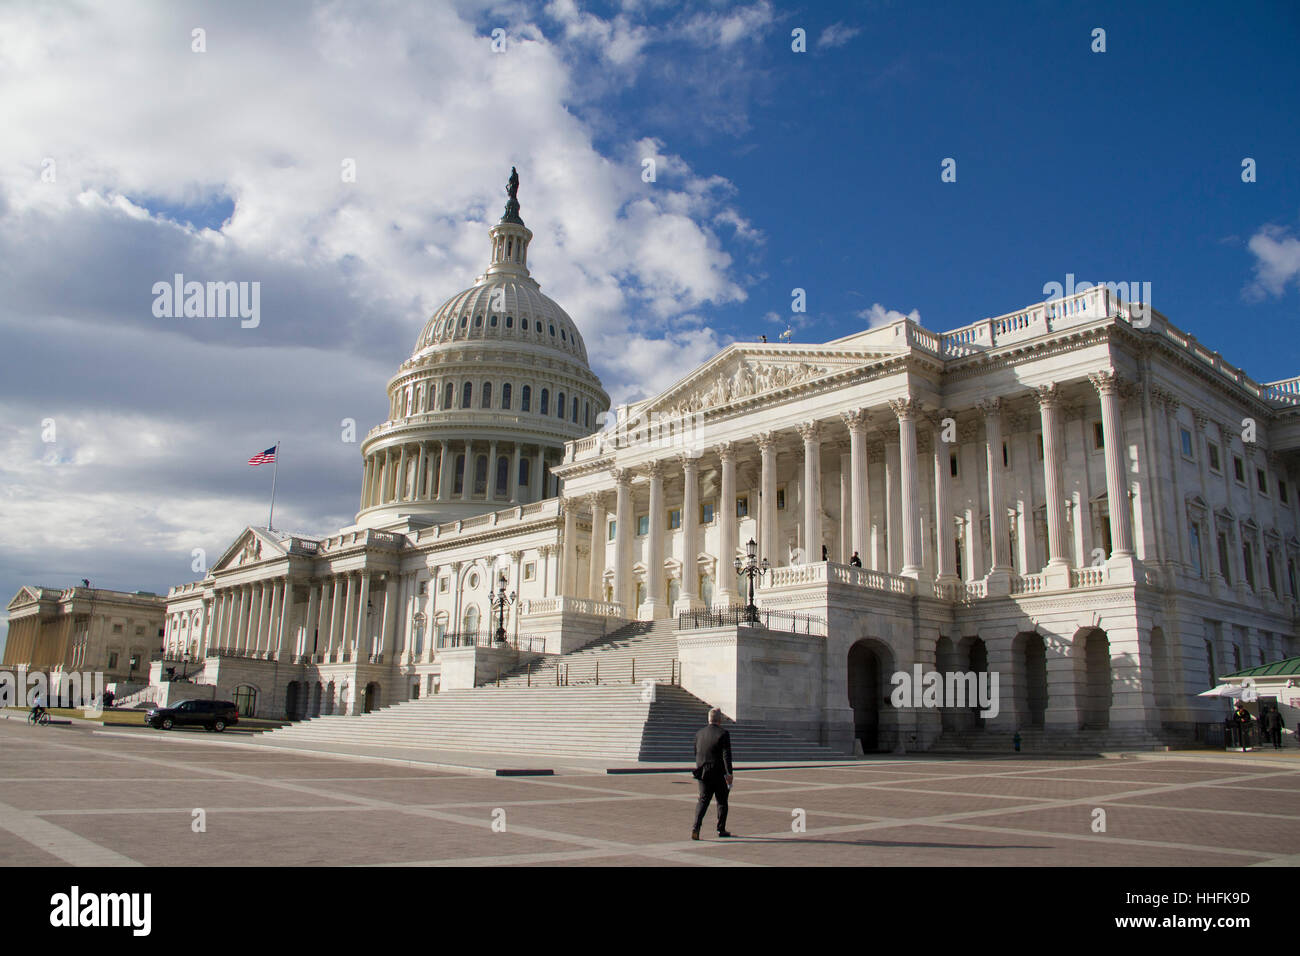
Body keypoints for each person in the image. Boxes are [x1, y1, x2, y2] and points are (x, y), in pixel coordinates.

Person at [692, 707, 734, 840]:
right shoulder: (723, 733)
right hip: (718, 772)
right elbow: (726, 755)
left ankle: (696, 827)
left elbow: (696, 752)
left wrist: (700, 767)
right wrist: (729, 773)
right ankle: (721, 829)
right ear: (720, 720)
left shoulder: (699, 733)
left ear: (709, 719)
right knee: (722, 801)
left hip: (703, 773)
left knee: (703, 801)